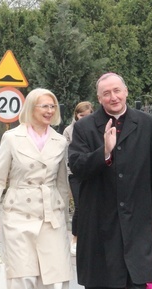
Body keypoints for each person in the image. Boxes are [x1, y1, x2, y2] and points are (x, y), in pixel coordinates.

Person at [68, 72, 152, 289]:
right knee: (101, 279)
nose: (113, 97)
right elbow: (77, 166)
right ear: (99, 98)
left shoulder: (145, 123)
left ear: (126, 91)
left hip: (136, 214)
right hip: (99, 216)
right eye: (106, 94)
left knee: (137, 275)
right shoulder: (86, 127)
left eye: (117, 91)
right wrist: (105, 152)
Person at [0, 88, 71, 289]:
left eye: (52, 106)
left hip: (51, 215)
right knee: (22, 274)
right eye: (44, 106)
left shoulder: (60, 141)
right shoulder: (12, 138)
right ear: (31, 108)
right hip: (18, 213)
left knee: (52, 277)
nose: (49, 111)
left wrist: (67, 219)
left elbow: (62, 183)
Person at [62, 101, 94, 256]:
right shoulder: (69, 130)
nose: (84, 119)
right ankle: (75, 238)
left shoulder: (96, 128)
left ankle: (90, 240)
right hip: (74, 173)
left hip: (91, 172)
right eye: (81, 116)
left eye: (87, 116)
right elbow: (67, 152)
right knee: (80, 206)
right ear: (76, 115)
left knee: (93, 206)